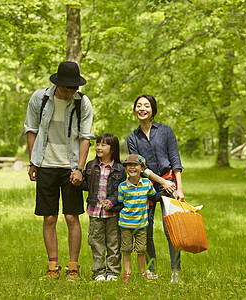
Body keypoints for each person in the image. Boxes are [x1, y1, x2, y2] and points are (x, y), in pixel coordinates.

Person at [24, 61, 94, 281]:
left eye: (74, 89)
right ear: (57, 84)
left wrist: (80, 169)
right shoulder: (40, 99)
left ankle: (73, 267)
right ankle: (52, 267)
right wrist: (33, 162)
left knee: (72, 217)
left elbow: (85, 137)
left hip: (70, 167)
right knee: (50, 218)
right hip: (46, 165)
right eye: (66, 89)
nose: (70, 93)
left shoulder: (82, 103)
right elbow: (31, 130)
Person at [126, 94, 185, 284]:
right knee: (146, 230)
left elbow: (175, 161)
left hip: (170, 184)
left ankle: (175, 271)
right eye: (139, 106)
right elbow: (139, 167)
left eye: (146, 106)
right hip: (147, 186)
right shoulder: (132, 138)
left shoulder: (166, 131)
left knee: (172, 230)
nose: (142, 109)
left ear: (153, 110)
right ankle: (151, 270)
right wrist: (161, 181)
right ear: (135, 110)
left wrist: (179, 189)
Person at [79, 133, 127, 282]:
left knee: (114, 243)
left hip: (112, 213)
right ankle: (98, 271)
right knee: (96, 242)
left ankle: (112, 272)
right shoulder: (90, 166)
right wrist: (77, 182)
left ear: (112, 149)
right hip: (95, 212)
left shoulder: (120, 169)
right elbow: (87, 185)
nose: (99, 147)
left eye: (103, 145)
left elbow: (122, 189)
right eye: (98, 144)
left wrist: (111, 202)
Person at [118, 154, 156, 282]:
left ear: (142, 169)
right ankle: (127, 273)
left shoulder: (147, 183)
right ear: (125, 169)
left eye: (135, 165)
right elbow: (120, 202)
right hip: (125, 224)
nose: (132, 168)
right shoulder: (122, 186)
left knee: (141, 250)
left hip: (141, 225)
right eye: (129, 165)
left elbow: (153, 196)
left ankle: (142, 273)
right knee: (126, 249)